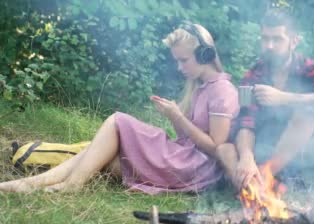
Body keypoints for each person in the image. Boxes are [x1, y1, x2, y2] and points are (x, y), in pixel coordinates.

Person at [0, 23, 239, 194]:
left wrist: (178, 116)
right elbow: (185, 137)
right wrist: (173, 116)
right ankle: (30, 184)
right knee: (104, 157)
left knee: (118, 120)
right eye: (177, 60)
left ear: (205, 54)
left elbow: (217, 150)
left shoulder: (222, 90)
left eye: (183, 60)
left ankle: (70, 185)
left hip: (195, 168)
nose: (179, 67)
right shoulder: (201, 86)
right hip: (184, 158)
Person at [216, 10, 314, 189]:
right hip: (264, 148)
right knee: (224, 150)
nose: (270, 46)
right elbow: (245, 121)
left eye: (277, 39)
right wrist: (247, 157)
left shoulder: (309, 68)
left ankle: (264, 176)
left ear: (294, 41)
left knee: (308, 113)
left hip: (301, 152)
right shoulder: (252, 74)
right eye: (265, 39)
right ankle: (256, 187)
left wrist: (283, 98)